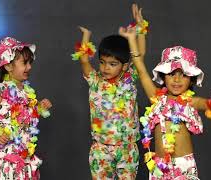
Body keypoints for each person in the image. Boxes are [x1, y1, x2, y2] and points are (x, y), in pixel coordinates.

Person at [119, 26, 211, 179]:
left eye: (183, 75)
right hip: (160, 166)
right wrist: (132, 39)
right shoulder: (157, 98)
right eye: (171, 74)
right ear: (163, 76)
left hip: (183, 166)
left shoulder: (191, 101)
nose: (177, 80)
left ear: (191, 79)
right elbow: (141, 70)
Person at [72, 4, 148, 179]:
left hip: (127, 148)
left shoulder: (130, 77)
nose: (106, 68)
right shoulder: (95, 80)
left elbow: (141, 54)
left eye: (113, 64)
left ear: (125, 65)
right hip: (101, 148)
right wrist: (86, 36)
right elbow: (84, 61)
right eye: (103, 62)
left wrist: (141, 27)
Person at [0, 37, 52, 180]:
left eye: (30, 63)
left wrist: (39, 108)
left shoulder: (27, 91)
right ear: (8, 66)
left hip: (25, 153)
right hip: (6, 156)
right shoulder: (1, 89)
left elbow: (27, 118)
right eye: (24, 63)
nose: (29, 67)